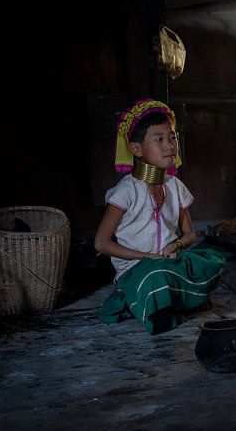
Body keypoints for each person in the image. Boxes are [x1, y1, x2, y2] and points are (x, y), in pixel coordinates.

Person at [94, 99, 225, 335]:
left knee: (212, 262)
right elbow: (101, 243)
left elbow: (190, 234)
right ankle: (172, 305)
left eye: (172, 137)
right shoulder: (126, 191)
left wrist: (176, 245)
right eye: (159, 139)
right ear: (136, 149)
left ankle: (166, 303)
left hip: (169, 260)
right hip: (138, 267)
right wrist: (146, 256)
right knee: (156, 277)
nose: (170, 145)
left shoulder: (174, 186)